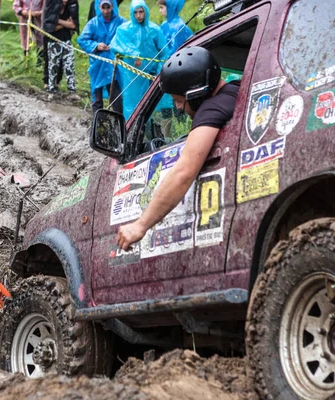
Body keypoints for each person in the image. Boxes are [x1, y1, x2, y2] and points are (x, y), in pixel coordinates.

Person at [116, 47, 240, 250]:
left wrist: (140, 225)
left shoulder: (211, 109)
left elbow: (184, 171)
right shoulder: (235, 91)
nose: (179, 108)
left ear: (197, 95)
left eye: (179, 100)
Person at [109, 0, 168, 119]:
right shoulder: (124, 29)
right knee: (131, 105)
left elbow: (164, 52)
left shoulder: (154, 29)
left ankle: (150, 133)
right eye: (135, 12)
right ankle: (131, 131)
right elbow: (116, 45)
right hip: (131, 76)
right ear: (131, 12)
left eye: (141, 12)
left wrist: (158, 70)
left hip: (151, 76)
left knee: (151, 106)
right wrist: (134, 54)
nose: (138, 16)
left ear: (146, 11)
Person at [77, 0, 126, 114]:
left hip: (114, 65)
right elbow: (82, 40)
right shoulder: (93, 23)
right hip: (97, 66)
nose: (105, 11)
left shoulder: (120, 22)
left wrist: (115, 46)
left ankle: (118, 122)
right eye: (103, 8)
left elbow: (128, 37)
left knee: (116, 96)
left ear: (112, 6)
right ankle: (98, 123)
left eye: (107, 8)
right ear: (98, 7)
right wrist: (96, 46)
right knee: (97, 96)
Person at [45, 0, 79, 95]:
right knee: (53, 65)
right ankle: (51, 88)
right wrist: (65, 23)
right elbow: (51, 26)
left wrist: (57, 21)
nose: (65, 1)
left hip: (67, 40)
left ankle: (71, 90)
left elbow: (73, 25)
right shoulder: (52, 6)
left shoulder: (71, 7)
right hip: (53, 40)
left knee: (69, 65)